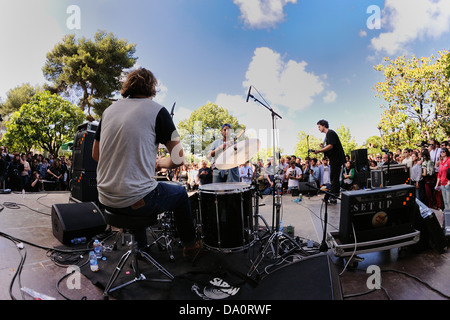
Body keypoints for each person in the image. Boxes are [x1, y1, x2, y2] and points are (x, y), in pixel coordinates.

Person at [91, 67, 200, 259]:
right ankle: (190, 246)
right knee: (181, 193)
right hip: (135, 201)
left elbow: (95, 155)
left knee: (138, 188)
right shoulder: (158, 111)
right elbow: (178, 159)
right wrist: (159, 163)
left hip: (105, 199)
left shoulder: (108, 111)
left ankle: (141, 249)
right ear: (152, 88)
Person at [313, 119, 345, 204]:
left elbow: (331, 145)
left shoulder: (330, 133)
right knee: (333, 178)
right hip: (334, 159)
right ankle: (331, 196)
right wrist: (323, 146)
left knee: (335, 178)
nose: (318, 128)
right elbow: (329, 146)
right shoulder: (328, 135)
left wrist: (320, 150)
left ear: (323, 125)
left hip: (337, 159)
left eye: (319, 126)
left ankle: (334, 196)